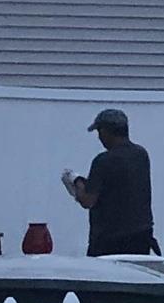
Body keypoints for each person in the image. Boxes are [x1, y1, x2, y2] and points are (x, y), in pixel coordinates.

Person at [63, 107, 158, 257]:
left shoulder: (103, 161)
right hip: (141, 235)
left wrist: (76, 182)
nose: (99, 138)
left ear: (105, 132)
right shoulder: (141, 155)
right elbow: (117, 187)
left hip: (109, 240)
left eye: (99, 132)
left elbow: (88, 201)